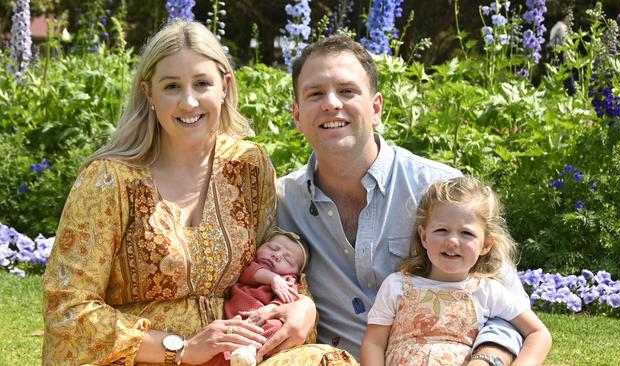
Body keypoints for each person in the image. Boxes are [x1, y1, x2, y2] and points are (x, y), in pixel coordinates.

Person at [42, 20, 330, 366]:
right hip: (141, 358)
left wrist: (303, 306)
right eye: (172, 86)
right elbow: (68, 309)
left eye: (202, 83)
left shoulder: (247, 165)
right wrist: (181, 348)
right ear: (148, 92)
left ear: (225, 87)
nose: (189, 101)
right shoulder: (109, 181)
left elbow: (272, 254)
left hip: (238, 351)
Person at [276, 34, 529, 365]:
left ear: (376, 108)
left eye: (347, 91)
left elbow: (508, 309)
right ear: (297, 116)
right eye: (315, 94)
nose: (331, 104)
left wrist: (487, 361)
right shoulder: (282, 202)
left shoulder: (440, 191)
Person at [360, 176, 552, 366]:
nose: (452, 241)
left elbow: (538, 334)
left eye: (466, 233)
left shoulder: (487, 291)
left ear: (485, 244)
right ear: (424, 236)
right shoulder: (396, 286)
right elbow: (374, 343)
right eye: (442, 230)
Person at [206, 230, 309, 366]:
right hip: (236, 316)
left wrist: (273, 307)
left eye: (287, 259)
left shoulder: (288, 281)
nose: (277, 255)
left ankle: (251, 352)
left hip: (264, 321)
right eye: (272, 248)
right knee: (224, 335)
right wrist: (273, 278)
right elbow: (247, 273)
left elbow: (288, 300)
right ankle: (232, 355)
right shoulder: (252, 265)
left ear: (295, 273)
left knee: (277, 328)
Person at [548, 11, 576, 95]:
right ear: (565, 17)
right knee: (570, 83)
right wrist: (568, 61)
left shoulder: (555, 27)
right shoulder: (562, 27)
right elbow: (565, 45)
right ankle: (573, 97)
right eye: (568, 17)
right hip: (561, 56)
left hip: (554, 56)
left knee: (558, 81)